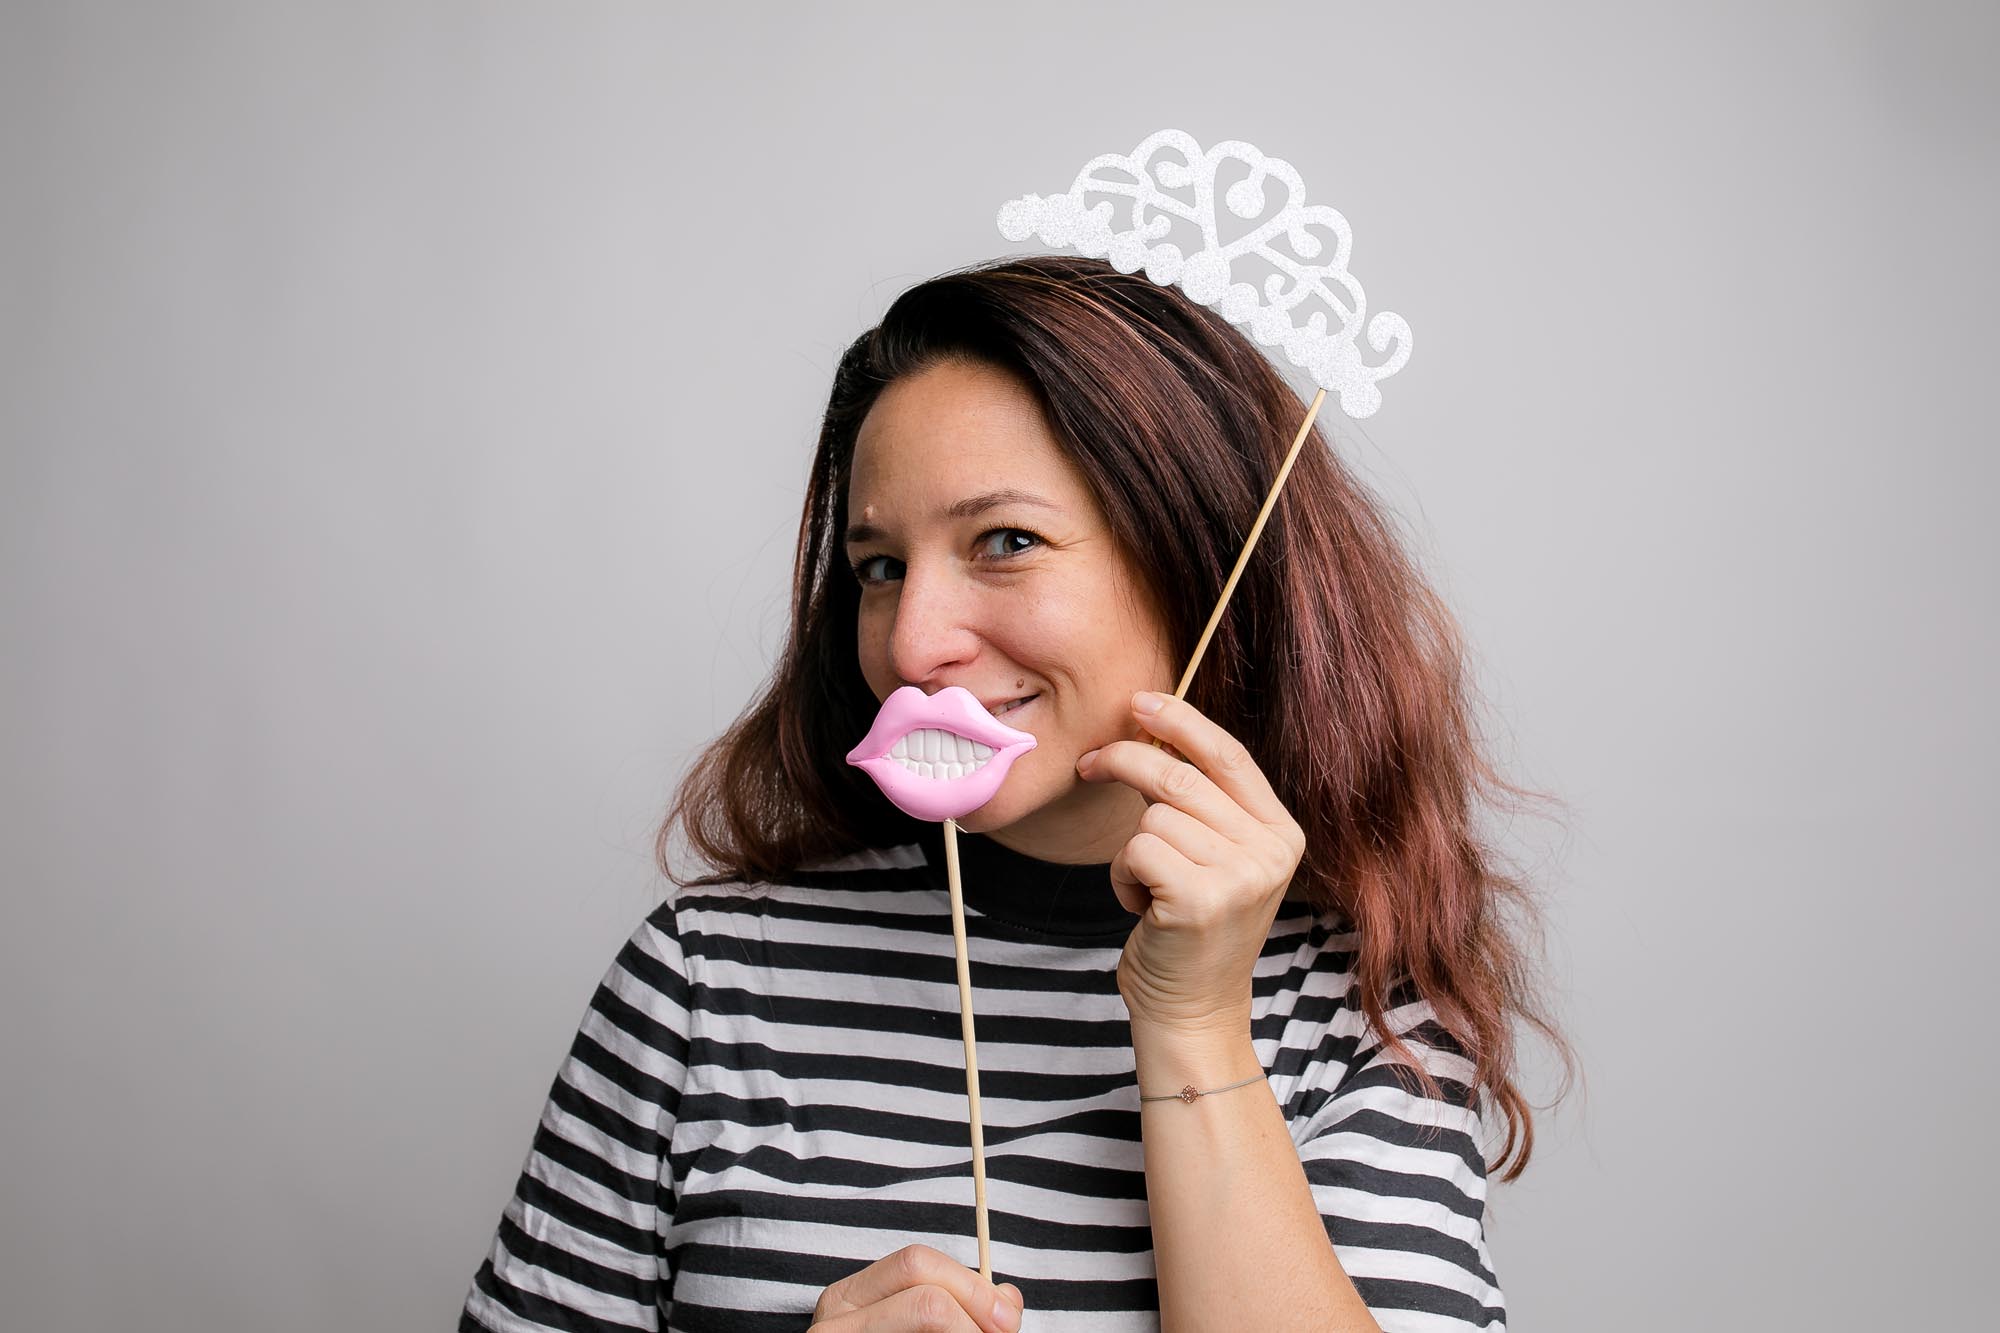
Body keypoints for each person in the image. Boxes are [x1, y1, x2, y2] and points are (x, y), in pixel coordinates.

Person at [459, 254, 1571, 1332]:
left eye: (1004, 541)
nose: (913, 643)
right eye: (880, 566)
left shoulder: (1365, 1004)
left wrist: (1192, 1024)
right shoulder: (704, 984)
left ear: (1198, 563)